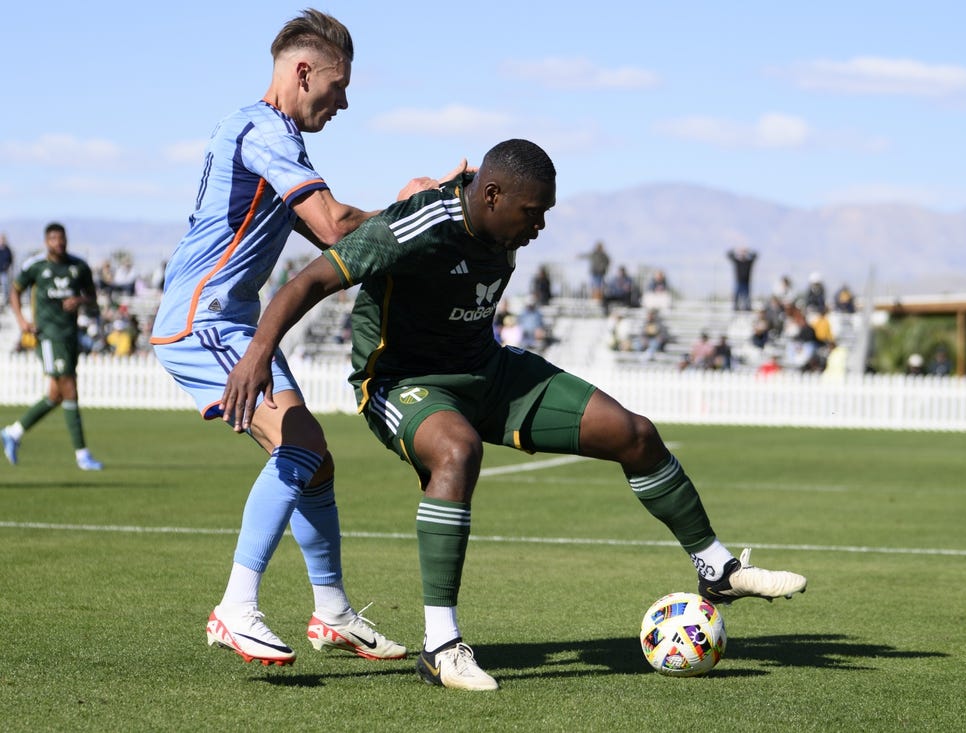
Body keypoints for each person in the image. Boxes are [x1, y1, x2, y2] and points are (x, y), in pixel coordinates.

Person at [220, 139, 807, 691]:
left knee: (635, 434)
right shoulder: (419, 226)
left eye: (546, 212)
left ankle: (716, 568)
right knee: (457, 452)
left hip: (489, 372)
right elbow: (311, 280)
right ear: (494, 196)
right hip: (400, 385)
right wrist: (257, 355)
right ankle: (441, 646)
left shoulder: (503, 222)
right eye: (533, 212)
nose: (540, 225)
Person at [149, 9, 464, 667]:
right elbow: (336, 219)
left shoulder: (265, 134)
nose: (345, 101)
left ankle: (333, 613)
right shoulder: (265, 133)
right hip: (203, 319)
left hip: (231, 320)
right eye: (339, 84)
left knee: (313, 460)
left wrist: (415, 210)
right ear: (302, 71)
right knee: (300, 444)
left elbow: (329, 233)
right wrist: (430, 206)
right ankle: (236, 607)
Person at [2, 222, 104, 471]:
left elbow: (93, 299)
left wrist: (79, 300)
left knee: (55, 395)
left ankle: (13, 432)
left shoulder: (78, 267)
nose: (58, 242)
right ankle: (82, 455)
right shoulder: (36, 266)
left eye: (62, 238)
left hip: (70, 335)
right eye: (53, 238)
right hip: (48, 335)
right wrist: (22, 321)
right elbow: (15, 291)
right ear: (46, 241)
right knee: (69, 389)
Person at [579, 240, 610, 304]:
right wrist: (579, 256)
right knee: (593, 286)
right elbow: (586, 255)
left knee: (599, 286)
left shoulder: (604, 255)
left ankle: (599, 299)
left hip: (601, 273)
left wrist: (603, 267)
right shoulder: (594, 253)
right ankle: (594, 299)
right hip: (594, 272)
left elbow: (608, 261)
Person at [0, 233, 13, 308]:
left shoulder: (7, 249)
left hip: (4, 271)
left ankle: (5, 301)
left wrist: (7, 266)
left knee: (5, 285)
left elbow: (10, 259)